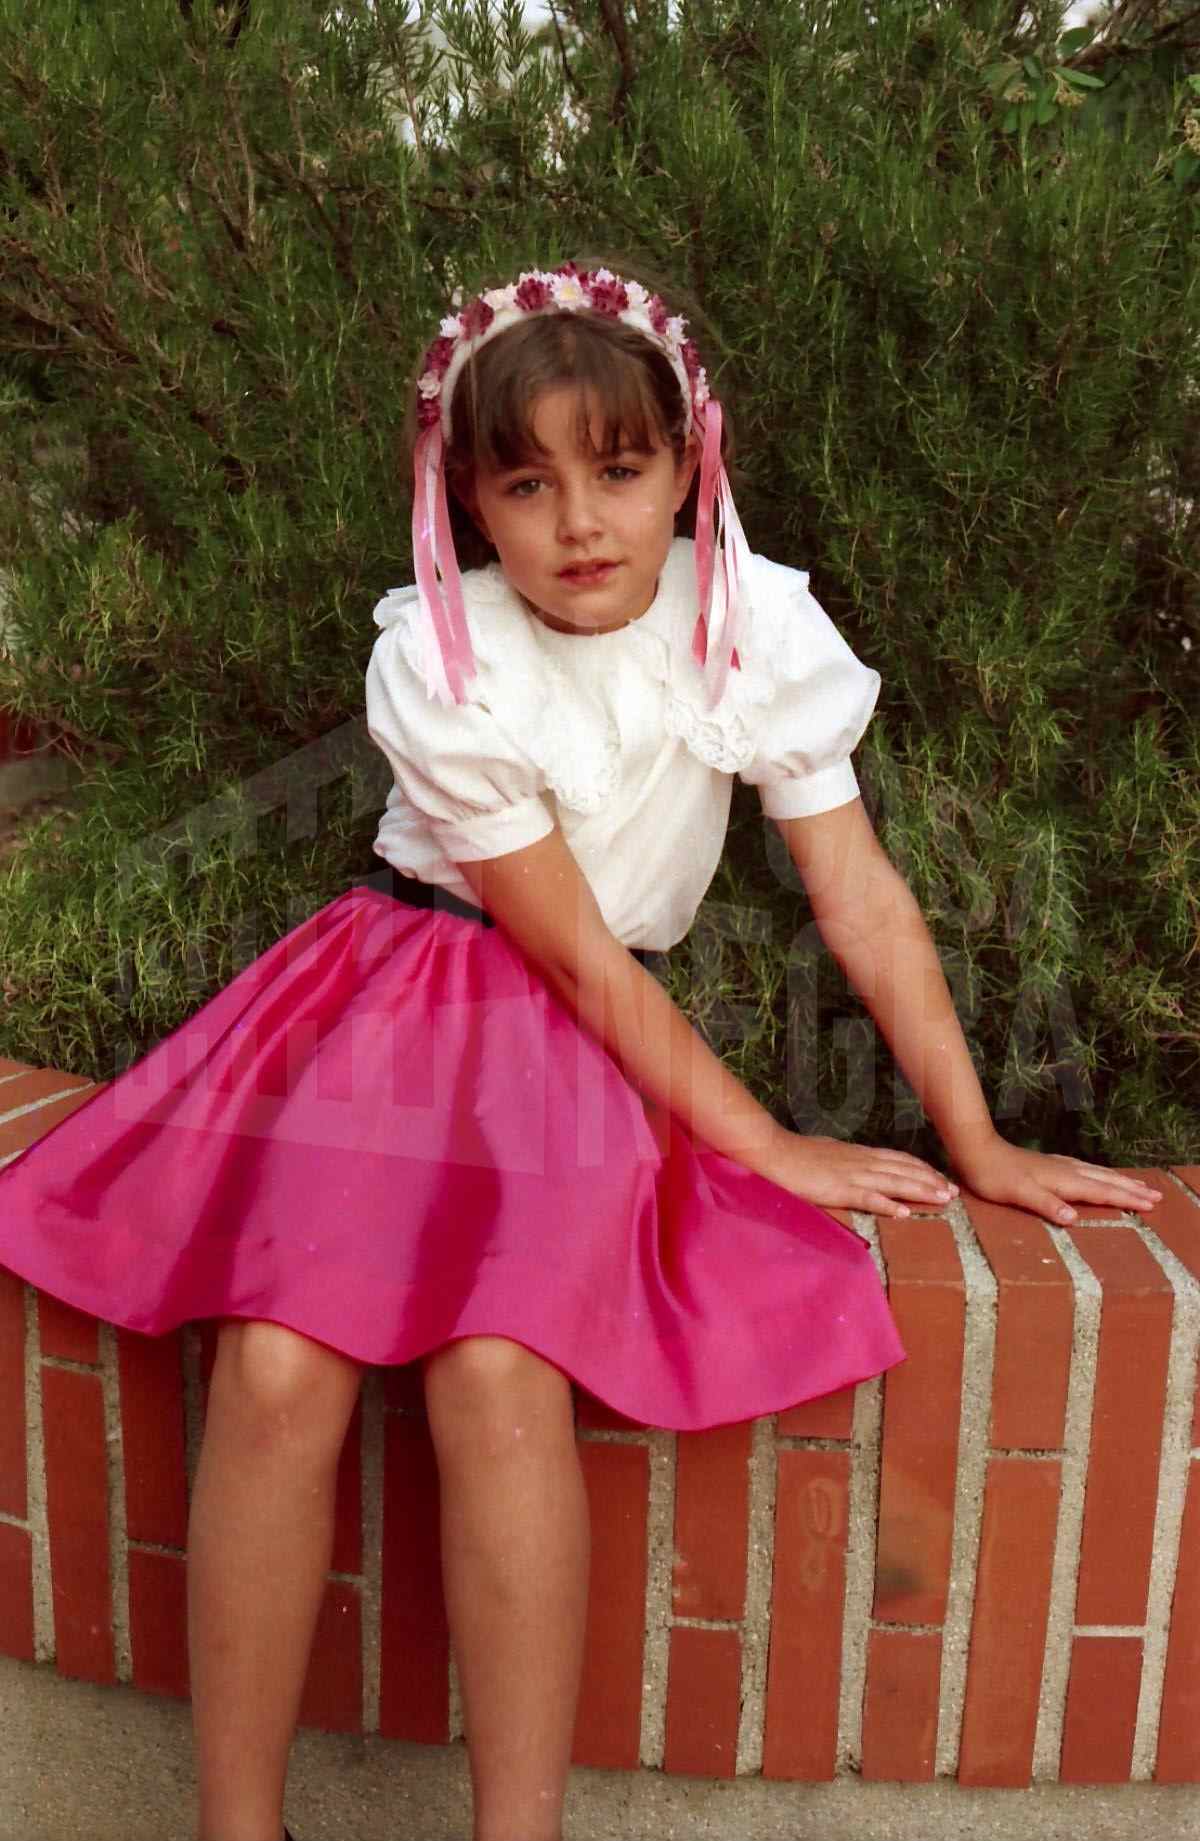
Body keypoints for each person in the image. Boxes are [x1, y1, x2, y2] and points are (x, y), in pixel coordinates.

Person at [0, 257, 1160, 1841]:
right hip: (400, 1002)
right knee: (276, 1359)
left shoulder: (751, 623)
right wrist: (764, 1138)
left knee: (502, 1363)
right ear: (469, 499)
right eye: (527, 483)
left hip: (573, 1047)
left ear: (689, 466)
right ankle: (236, 1825)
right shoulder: (442, 651)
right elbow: (559, 944)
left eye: (619, 470)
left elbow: (861, 896)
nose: (580, 521)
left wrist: (979, 1138)